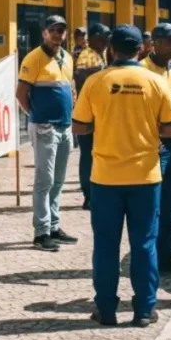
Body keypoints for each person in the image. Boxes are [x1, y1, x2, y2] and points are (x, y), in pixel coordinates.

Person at [73, 25, 171, 327]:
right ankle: (144, 310)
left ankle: (106, 310)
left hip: (105, 177)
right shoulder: (155, 82)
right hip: (145, 177)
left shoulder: (95, 82)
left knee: (106, 245)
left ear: (111, 49)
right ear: (141, 49)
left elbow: (80, 127)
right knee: (144, 243)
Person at [17, 15, 79, 251]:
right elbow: (21, 92)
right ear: (44, 32)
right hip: (44, 126)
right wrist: (35, 115)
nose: (57, 35)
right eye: (53, 30)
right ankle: (41, 232)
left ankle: (54, 225)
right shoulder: (34, 58)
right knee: (44, 180)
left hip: (64, 126)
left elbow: (70, 86)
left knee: (59, 180)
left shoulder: (67, 57)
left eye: (61, 30)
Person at [140, 23, 171, 274]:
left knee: (170, 202)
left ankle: (166, 253)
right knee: (152, 204)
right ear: (155, 43)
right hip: (153, 146)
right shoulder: (141, 71)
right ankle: (150, 256)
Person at [74, 23, 110, 210]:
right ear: (95, 37)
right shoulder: (88, 55)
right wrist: (101, 73)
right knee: (87, 154)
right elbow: (80, 76)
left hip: (98, 112)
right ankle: (88, 195)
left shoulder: (99, 53)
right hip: (88, 113)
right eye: (104, 36)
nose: (107, 40)